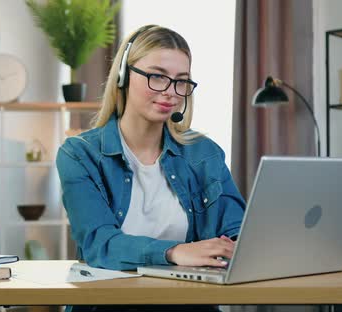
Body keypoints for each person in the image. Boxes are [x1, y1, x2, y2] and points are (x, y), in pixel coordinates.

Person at [56, 25, 246, 312]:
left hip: (188, 306)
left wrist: (240, 246)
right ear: (123, 76)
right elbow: (100, 244)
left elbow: (237, 230)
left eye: (181, 81)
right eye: (157, 76)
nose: (170, 92)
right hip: (109, 306)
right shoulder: (80, 154)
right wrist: (173, 252)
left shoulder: (204, 153)